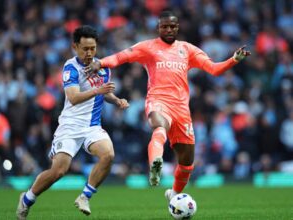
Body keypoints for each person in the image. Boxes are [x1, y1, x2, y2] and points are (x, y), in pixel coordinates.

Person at [85, 11, 250, 202]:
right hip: (158, 100)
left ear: (177, 27)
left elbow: (213, 69)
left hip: (181, 109)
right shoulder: (148, 47)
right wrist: (101, 62)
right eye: (165, 26)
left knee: (187, 164)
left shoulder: (188, 50)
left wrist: (234, 60)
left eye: (172, 26)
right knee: (159, 126)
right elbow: (121, 57)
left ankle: (174, 193)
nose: (169, 29)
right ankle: (155, 162)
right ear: (158, 28)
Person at [16, 25, 129, 219]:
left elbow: (105, 92)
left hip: (92, 126)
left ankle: (85, 196)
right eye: (85, 48)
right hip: (70, 126)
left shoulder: (103, 68)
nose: (89, 53)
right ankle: (27, 198)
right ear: (75, 47)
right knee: (59, 171)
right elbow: (74, 97)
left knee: (108, 154)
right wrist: (99, 91)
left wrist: (116, 100)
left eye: (92, 48)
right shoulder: (71, 67)